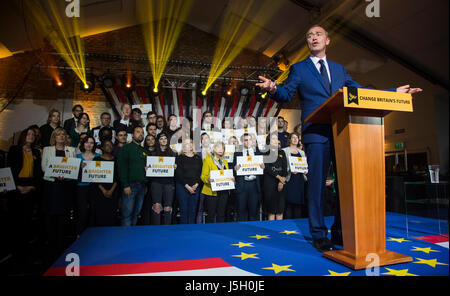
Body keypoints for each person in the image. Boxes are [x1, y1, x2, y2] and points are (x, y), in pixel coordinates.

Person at [256, 24, 422, 252]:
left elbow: (362, 93)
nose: (313, 38)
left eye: (318, 34)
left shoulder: (339, 69)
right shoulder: (299, 69)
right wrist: (273, 88)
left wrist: (393, 93)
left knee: (344, 185)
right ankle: (318, 234)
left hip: (342, 133)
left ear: (327, 41)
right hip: (316, 134)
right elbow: (285, 93)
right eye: (309, 35)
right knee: (316, 186)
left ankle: (340, 231)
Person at [7, 128, 42, 261]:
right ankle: (15, 249)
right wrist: (17, 186)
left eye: (33, 135)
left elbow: (38, 173)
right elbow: (9, 168)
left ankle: (26, 248)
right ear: (23, 136)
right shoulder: (14, 149)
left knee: (27, 219)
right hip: (16, 187)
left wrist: (32, 186)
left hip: (30, 187)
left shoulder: (36, 152)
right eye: (28, 134)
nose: (31, 136)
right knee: (15, 219)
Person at [41, 128, 76, 261]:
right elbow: (44, 167)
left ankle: (62, 243)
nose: (61, 137)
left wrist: (65, 175)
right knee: (51, 213)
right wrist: (57, 174)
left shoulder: (71, 150)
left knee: (64, 213)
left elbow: (73, 167)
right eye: (58, 135)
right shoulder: (47, 150)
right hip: (52, 186)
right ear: (54, 137)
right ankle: (51, 242)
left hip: (66, 186)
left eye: (63, 134)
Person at [117, 126, 148, 226]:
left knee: (136, 213)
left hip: (142, 186)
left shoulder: (144, 150)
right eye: (138, 132)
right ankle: (125, 237)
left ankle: (132, 235)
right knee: (127, 214)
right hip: (130, 185)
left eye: (142, 133)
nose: (141, 134)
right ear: (132, 135)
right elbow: (121, 168)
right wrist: (125, 185)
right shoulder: (126, 148)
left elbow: (147, 168)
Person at [148, 131, 176, 225]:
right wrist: (147, 168)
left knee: (168, 207)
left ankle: (167, 229)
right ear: (158, 141)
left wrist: (175, 167)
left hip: (169, 183)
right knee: (157, 207)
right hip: (156, 182)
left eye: (165, 138)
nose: (163, 140)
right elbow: (149, 168)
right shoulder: (153, 154)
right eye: (161, 138)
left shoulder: (173, 153)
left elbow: (176, 171)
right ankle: (156, 230)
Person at [233, 133, 263, 221]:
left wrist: (263, 168)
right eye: (246, 140)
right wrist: (235, 169)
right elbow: (234, 170)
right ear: (243, 142)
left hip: (254, 185)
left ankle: (253, 231)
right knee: (241, 211)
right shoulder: (237, 154)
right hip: (242, 185)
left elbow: (262, 171)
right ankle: (241, 231)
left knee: (254, 212)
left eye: (250, 139)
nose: (248, 142)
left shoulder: (258, 153)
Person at [75, 135, 101, 236]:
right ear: (83, 144)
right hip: (81, 186)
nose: (89, 145)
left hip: (94, 187)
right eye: (87, 142)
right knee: (82, 211)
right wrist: (79, 167)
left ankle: (91, 234)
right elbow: (73, 174)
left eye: (91, 143)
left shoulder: (98, 157)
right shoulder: (77, 157)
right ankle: (79, 234)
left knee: (93, 210)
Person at [200, 142, 231, 223]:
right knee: (211, 214)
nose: (221, 150)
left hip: (224, 192)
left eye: (223, 148)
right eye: (219, 147)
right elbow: (203, 176)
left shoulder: (225, 161)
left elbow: (226, 175)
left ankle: (220, 233)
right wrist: (208, 179)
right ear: (213, 149)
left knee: (221, 214)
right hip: (211, 192)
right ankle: (210, 233)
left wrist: (231, 179)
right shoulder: (207, 160)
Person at [175, 138, 203, 224]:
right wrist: (187, 186)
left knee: (193, 211)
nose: (190, 145)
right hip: (182, 187)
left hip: (196, 187)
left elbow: (201, 173)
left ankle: (192, 232)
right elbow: (178, 174)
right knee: (184, 210)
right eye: (187, 143)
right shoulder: (179, 158)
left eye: (191, 143)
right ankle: (183, 232)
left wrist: (196, 184)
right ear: (183, 146)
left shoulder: (198, 158)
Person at [91, 140, 119, 226]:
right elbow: (94, 176)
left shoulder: (116, 160)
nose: (109, 147)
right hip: (99, 191)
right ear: (102, 148)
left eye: (111, 145)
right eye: (107, 145)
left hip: (113, 191)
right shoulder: (96, 160)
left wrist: (111, 190)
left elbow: (117, 177)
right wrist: (103, 190)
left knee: (111, 214)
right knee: (100, 214)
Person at [262, 133, 287, 221]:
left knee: (280, 210)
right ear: (269, 141)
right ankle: (272, 231)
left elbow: (285, 167)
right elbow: (267, 168)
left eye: (276, 139)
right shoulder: (265, 152)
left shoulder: (282, 152)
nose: (275, 141)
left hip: (281, 183)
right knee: (271, 210)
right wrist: (279, 177)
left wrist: (281, 181)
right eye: (273, 139)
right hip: (269, 183)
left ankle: (280, 231)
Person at [283, 133, 307, 219]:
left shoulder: (302, 152)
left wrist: (305, 170)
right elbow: (282, 166)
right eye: (293, 137)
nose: (295, 139)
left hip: (299, 180)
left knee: (298, 205)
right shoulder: (284, 150)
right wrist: (290, 170)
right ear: (289, 139)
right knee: (289, 204)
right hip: (290, 179)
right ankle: (288, 225)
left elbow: (304, 164)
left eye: (297, 138)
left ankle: (298, 224)